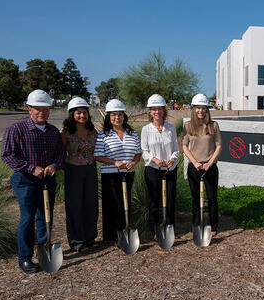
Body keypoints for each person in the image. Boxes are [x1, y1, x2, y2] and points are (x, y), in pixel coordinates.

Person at [1, 90, 65, 273]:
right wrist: (31, 168)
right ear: (29, 109)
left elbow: (61, 153)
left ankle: (44, 251)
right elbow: (7, 155)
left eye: (45, 109)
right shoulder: (16, 129)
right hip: (25, 180)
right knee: (28, 218)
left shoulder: (52, 131)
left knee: (45, 217)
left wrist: (54, 164)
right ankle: (25, 258)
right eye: (37, 109)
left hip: (47, 180)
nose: (41, 112)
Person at [94, 99, 142, 242]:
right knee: (112, 204)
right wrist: (115, 163)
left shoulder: (132, 133)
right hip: (110, 174)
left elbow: (138, 152)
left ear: (124, 116)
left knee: (125, 203)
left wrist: (133, 162)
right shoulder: (104, 134)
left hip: (128, 173)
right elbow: (98, 155)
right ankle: (110, 236)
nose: (117, 118)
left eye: (120, 114)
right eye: (114, 115)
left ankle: (124, 230)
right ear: (109, 117)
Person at [61, 97, 99, 252]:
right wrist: (65, 168)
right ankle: (77, 241)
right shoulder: (66, 132)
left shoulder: (92, 131)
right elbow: (61, 152)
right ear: (72, 114)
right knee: (75, 206)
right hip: (73, 170)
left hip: (90, 169)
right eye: (78, 113)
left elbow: (98, 149)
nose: (82, 115)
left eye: (84, 112)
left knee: (91, 205)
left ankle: (90, 238)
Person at [182, 93, 222, 236]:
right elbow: (185, 146)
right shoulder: (188, 126)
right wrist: (195, 162)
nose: (201, 111)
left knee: (212, 197)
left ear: (207, 109)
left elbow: (218, 146)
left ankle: (213, 225)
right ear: (193, 109)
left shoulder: (213, 125)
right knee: (195, 198)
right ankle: (197, 224)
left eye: (203, 108)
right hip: (194, 167)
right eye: (198, 108)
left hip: (210, 167)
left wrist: (209, 163)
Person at [141, 94, 180, 238]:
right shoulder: (146, 129)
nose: (157, 112)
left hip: (170, 169)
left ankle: (170, 229)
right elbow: (144, 150)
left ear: (164, 110)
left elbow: (176, 148)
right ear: (150, 112)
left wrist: (172, 159)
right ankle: (155, 231)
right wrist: (155, 160)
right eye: (153, 109)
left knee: (170, 200)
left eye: (159, 109)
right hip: (153, 170)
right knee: (154, 200)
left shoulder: (171, 128)